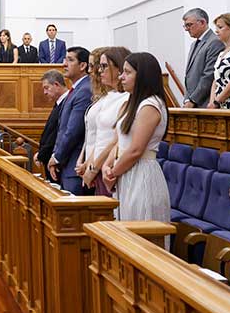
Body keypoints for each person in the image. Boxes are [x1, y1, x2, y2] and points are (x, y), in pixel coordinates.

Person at [102, 52, 170, 227]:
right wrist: (106, 166)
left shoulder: (150, 105)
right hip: (126, 170)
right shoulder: (131, 103)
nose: (121, 77)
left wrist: (113, 172)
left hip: (141, 173)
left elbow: (136, 150)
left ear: (143, 75)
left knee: (140, 229)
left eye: (127, 72)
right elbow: (120, 141)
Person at [78, 46, 131, 197]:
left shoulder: (126, 98)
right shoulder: (110, 96)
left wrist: (94, 168)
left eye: (104, 66)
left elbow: (114, 140)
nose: (99, 71)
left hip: (110, 168)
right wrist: (89, 163)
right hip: (99, 166)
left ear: (119, 68)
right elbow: (100, 136)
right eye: (99, 66)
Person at [49, 46, 93, 194]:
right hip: (68, 165)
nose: (64, 64)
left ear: (83, 65)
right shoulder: (76, 90)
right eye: (64, 59)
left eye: (70, 60)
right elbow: (62, 129)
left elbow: (73, 131)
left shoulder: (85, 90)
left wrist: (56, 157)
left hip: (76, 167)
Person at [181, 8, 224, 108]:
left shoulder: (214, 42)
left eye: (189, 25)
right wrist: (187, 99)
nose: (186, 29)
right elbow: (190, 76)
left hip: (205, 103)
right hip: (191, 103)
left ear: (202, 22)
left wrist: (192, 100)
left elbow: (209, 75)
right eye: (185, 25)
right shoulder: (194, 44)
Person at [34, 69, 69, 182]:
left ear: (56, 85)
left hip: (59, 164)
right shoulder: (59, 104)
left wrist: (42, 155)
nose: (44, 92)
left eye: (46, 88)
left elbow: (57, 133)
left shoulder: (67, 103)